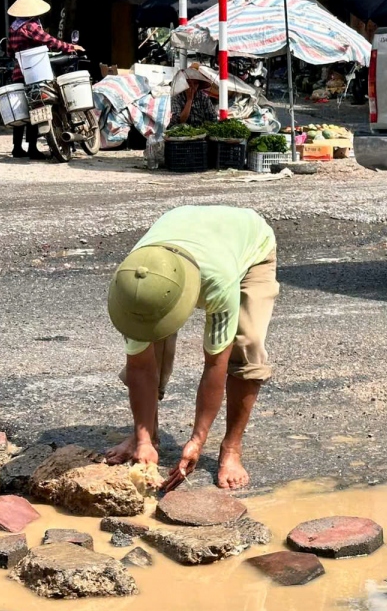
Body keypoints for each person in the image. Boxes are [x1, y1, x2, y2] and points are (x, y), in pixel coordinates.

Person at [105, 206, 279, 490]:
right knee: (153, 333)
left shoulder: (218, 280)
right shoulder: (133, 285)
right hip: (177, 243)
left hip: (249, 246)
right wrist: (143, 438)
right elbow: (140, 366)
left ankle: (231, 448)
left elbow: (215, 365)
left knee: (248, 344)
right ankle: (147, 436)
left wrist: (197, 440)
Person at [5, 0, 84, 158]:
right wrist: (69, 47)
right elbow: (49, 41)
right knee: (37, 107)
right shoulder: (31, 26)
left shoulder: (14, 27)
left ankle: (17, 148)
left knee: (22, 111)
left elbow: (10, 52)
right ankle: (33, 148)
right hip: (35, 73)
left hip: (19, 73)